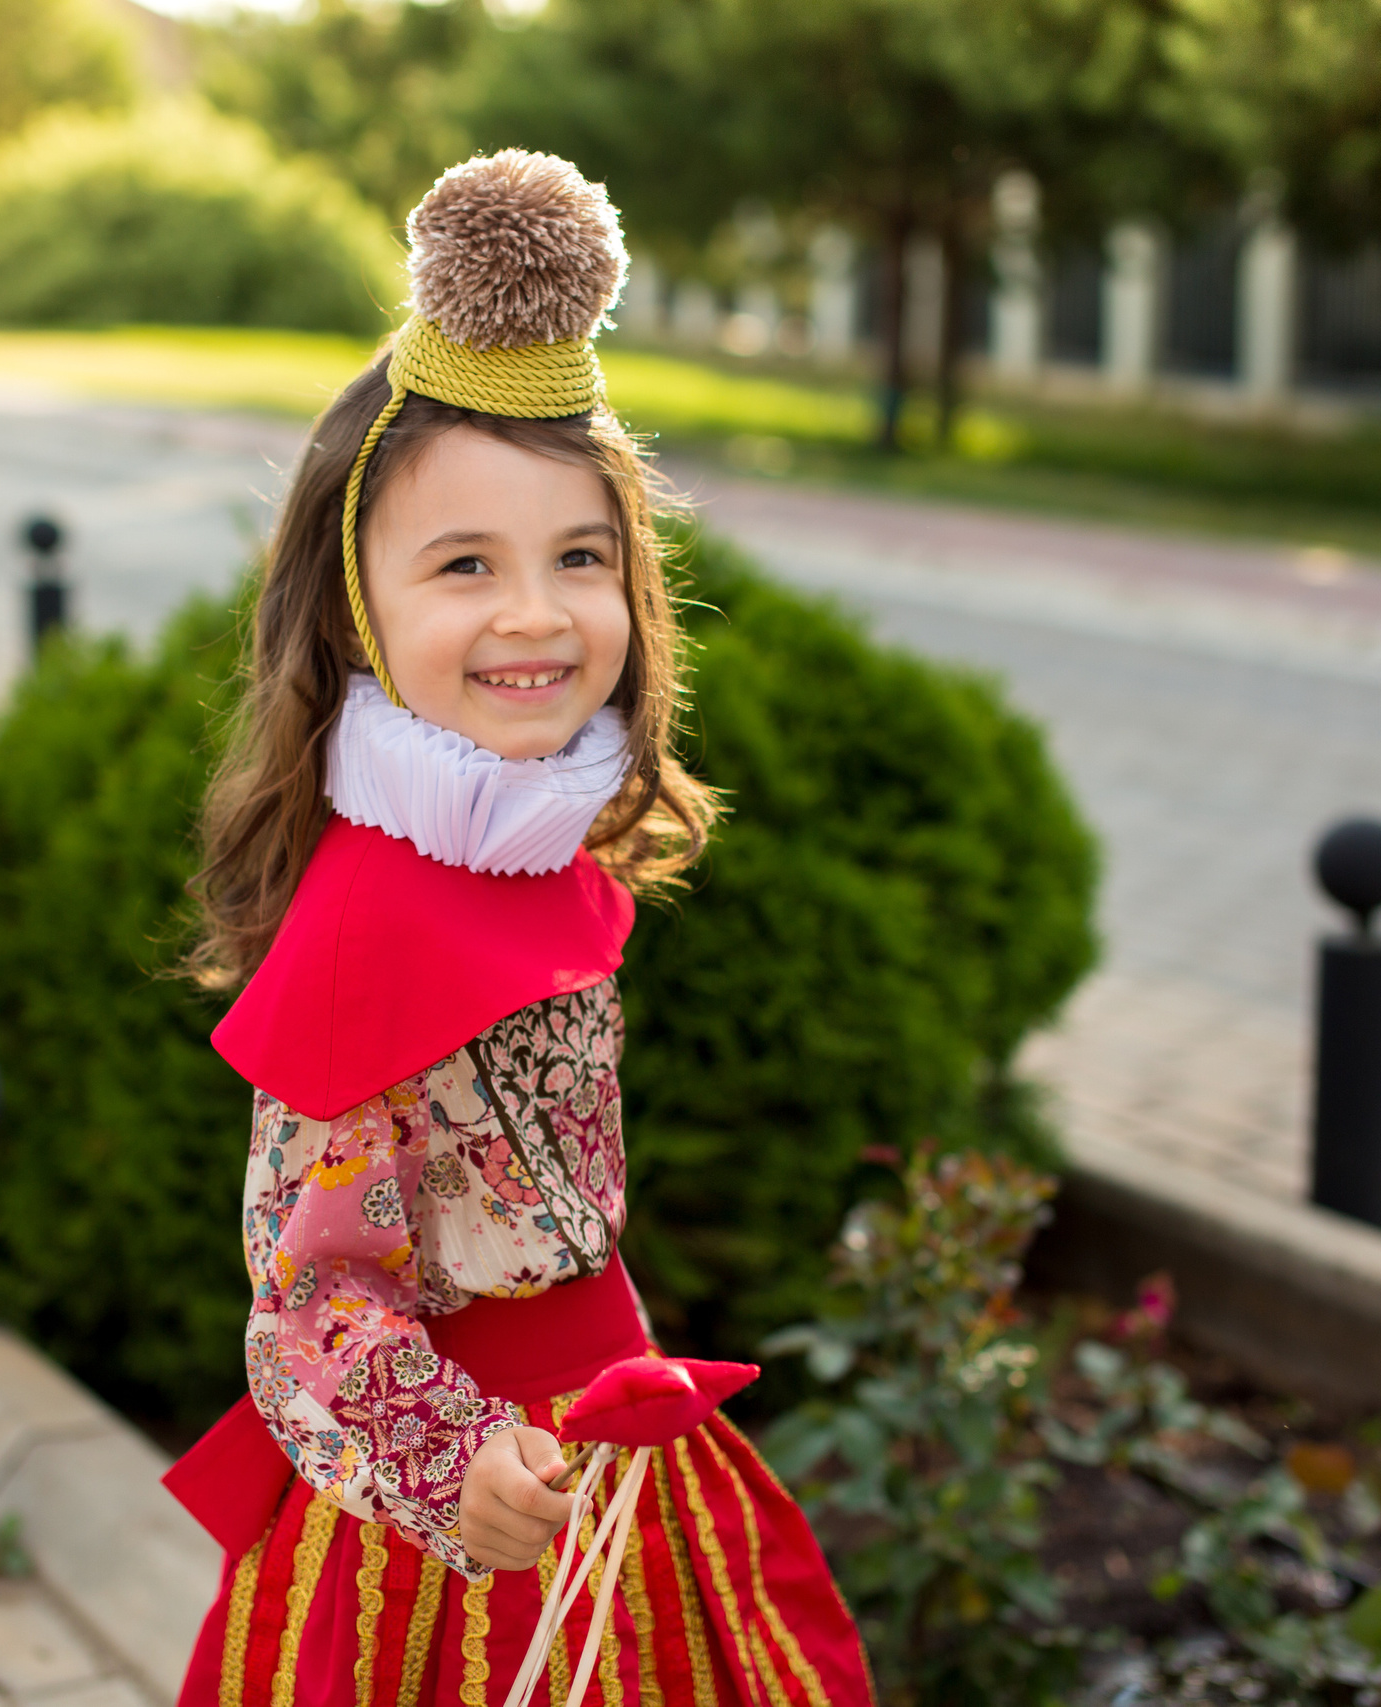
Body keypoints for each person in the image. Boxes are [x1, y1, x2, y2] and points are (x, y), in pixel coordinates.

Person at [163, 151, 873, 1707]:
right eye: (465, 566)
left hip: (613, 1451)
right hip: (463, 1526)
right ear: (355, 607)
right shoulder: (375, 919)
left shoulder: (536, 839)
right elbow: (307, 1307)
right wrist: (455, 1457)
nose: (537, 616)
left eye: (580, 559)